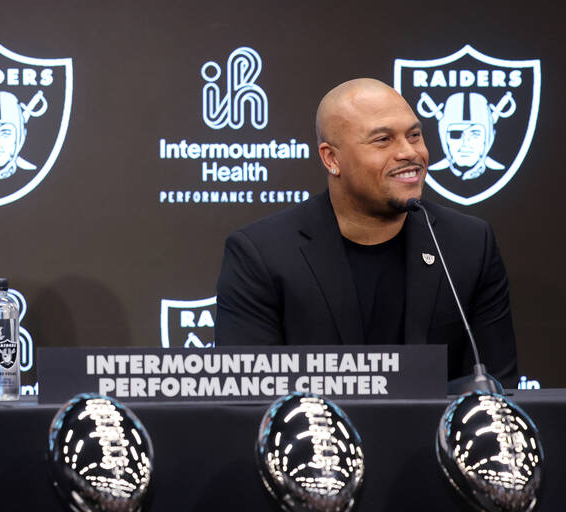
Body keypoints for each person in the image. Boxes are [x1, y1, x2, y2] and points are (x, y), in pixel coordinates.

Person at [215, 78, 518, 386]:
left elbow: (493, 389)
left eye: (414, 135)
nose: (409, 152)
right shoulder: (262, 253)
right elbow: (249, 398)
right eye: (383, 140)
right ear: (331, 158)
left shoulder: (469, 244)